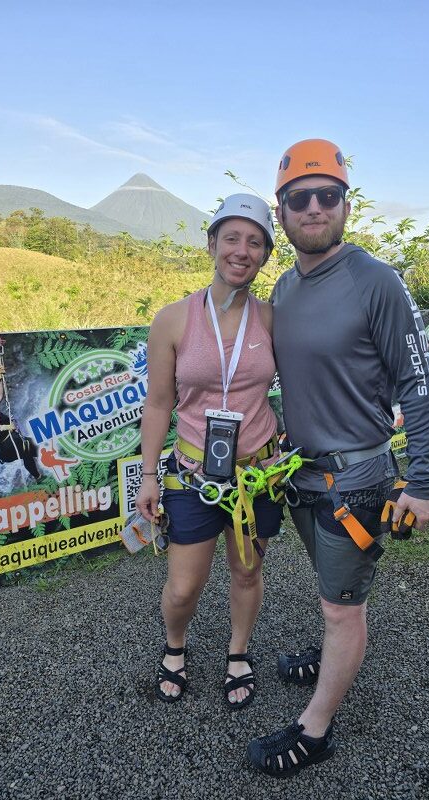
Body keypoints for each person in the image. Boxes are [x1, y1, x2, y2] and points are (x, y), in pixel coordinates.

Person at [247, 139, 429, 776]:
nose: (313, 207)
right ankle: (329, 648)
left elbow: (416, 383)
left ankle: (316, 727)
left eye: (326, 195)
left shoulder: (375, 280)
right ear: (281, 212)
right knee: (328, 586)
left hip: (354, 481)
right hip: (299, 474)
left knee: (342, 605)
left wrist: (424, 479)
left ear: (344, 205)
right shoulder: (286, 285)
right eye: (298, 198)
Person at [135, 194, 283, 709]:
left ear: (265, 253)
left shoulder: (271, 318)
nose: (242, 251)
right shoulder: (173, 320)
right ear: (211, 244)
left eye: (255, 241)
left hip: (258, 475)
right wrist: (148, 475)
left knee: (247, 571)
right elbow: (158, 404)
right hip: (193, 475)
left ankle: (237, 653)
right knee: (182, 588)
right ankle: (175, 648)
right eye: (232, 238)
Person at [0, 365, 41, 480]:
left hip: (7, 449)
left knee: (28, 454)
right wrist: (5, 427)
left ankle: (38, 477)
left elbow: (0, 395)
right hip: (9, 446)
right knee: (40, 448)